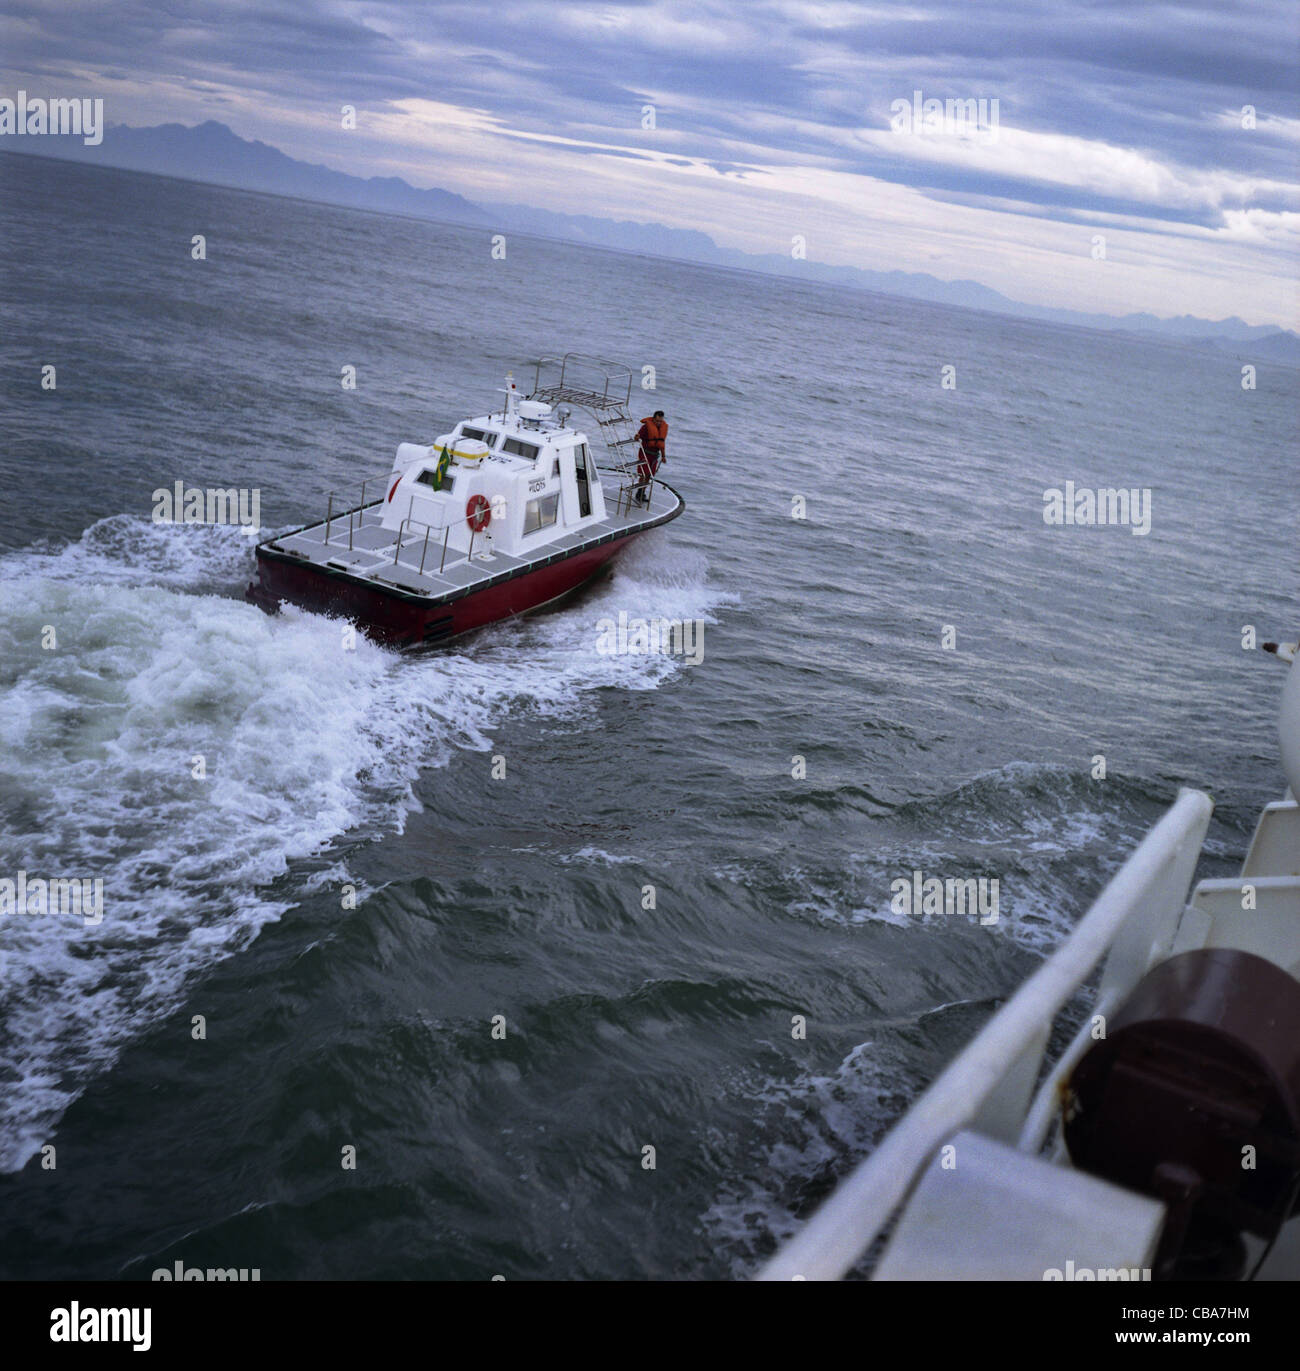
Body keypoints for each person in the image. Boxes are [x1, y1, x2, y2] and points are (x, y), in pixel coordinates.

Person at [633, 411, 668, 504]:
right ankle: (639, 492)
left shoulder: (662, 429)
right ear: (653, 419)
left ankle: (642, 492)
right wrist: (636, 437)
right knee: (643, 473)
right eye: (657, 421)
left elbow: (661, 444)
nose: (659, 423)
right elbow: (637, 437)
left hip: (654, 455)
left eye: (661, 421)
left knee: (649, 475)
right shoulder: (645, 427)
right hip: (645, 453)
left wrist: (663, 456)